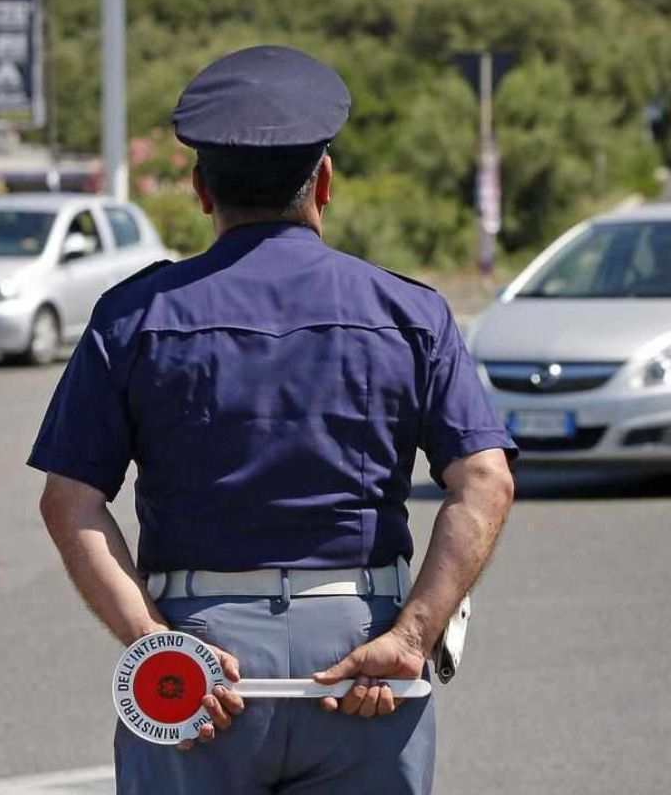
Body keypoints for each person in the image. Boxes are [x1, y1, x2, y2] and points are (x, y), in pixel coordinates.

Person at [29, 45, 516, 794]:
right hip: (364, 660)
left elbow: (71, 500)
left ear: (200, 189)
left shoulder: (136, 316)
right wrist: (413, 634)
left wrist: (154, 644)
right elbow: (484, 480)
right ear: (323, 183)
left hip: (200, 659)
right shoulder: (408, 313)